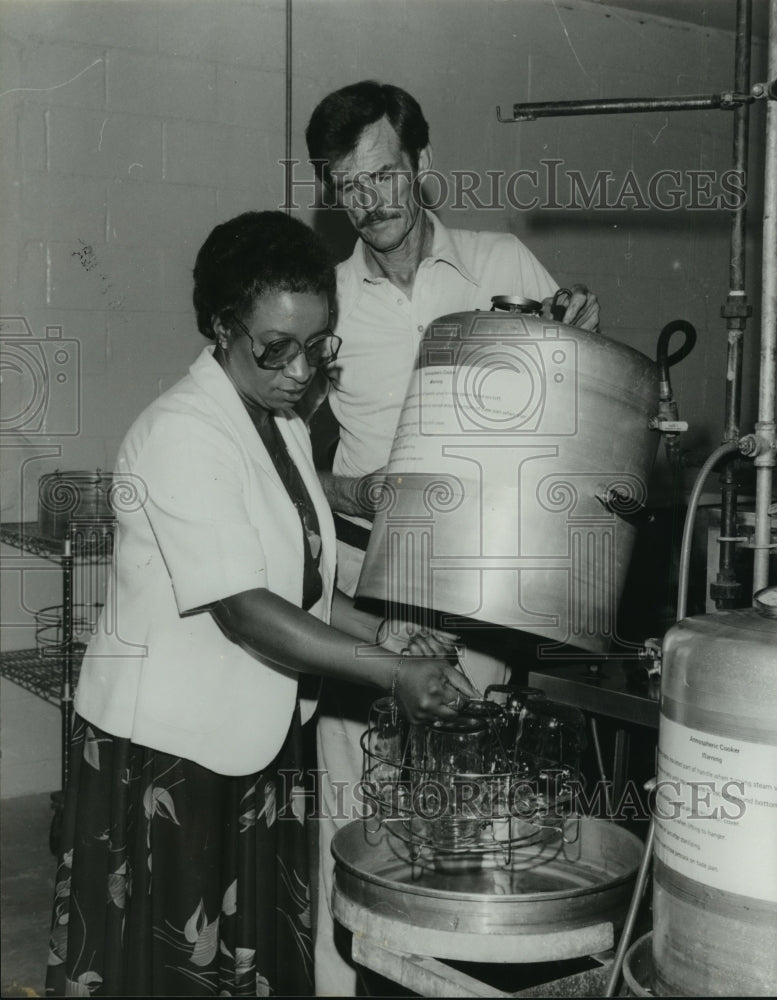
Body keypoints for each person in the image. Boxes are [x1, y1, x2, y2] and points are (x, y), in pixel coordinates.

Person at [44, 211, 474, 998]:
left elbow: (299, 577)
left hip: (254, 740)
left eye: (317, 346)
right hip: (170, 756)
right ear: (219, 327)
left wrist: (383, 630)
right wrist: (388, 673)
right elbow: (243, 608)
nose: (300, 370)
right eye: (275, 348)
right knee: (173, 965)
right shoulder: (184, 431)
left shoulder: (275, 422)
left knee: (251, 958)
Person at [303, 80, 602, 995]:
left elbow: (579, 411)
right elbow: (280, 463)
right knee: (357, 815)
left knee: (483, 812)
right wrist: (355, 486)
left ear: (420, 167)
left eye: (386, 176)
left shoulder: (499, 264)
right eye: (348, 187)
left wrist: (582, 339)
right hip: (369, 588)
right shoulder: (325, 301)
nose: (372, 203)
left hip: (484, 591)